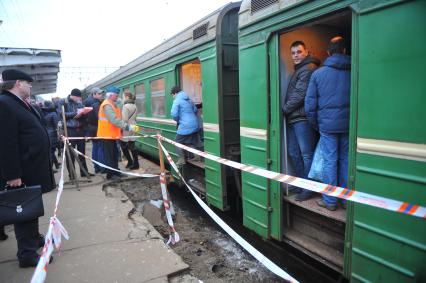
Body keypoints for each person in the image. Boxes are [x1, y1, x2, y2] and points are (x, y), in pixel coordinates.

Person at [0, 69, 55, 267]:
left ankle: (34, 237)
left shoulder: (18, 103)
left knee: (31, 207)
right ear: (17, 83)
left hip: (31, 168)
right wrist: (12, 174)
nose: (30, 86)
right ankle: (27, 254)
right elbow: (6, 143)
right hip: (22, 171)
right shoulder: (5, 104)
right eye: (27, 83)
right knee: (23, 211)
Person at [305, 36, 351, 211]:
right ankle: (347, 200)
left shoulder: (318, 74)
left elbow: (310, 106)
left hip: (327, 127)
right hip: (348, 126)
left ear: (328, 52)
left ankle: (330, 201)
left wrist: (317, 125)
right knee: (346, 160)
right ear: (345, 51)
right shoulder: (355, 70)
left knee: (329, 161)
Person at [282, 41, 320, 201]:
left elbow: (299, 94)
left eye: (299, 52)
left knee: (306, 154)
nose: (296, 55)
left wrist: (284, 109)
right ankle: (302, 183)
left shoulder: (308, 69)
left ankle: (309, 188)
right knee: (294, 153)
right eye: (293, 53)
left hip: (302, 118)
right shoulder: (299, 70)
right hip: (294, 118)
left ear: (306, 52)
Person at [97, 86, 138, 180]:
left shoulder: (112, 103)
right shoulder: (106, 105)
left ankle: (116, 172)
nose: (117, 97)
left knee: (114, 155)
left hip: (112, 135)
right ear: (110, 95)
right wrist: (128, 127)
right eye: (116, 95)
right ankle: (110, 175)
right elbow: (114, 120)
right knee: (109, 156)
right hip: (106, 135)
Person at [59, 88, 93, 179]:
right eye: (78, 98)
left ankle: (84, 172)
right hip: (69, 130)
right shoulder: (63, 102)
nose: (79, 100)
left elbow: (82, 113)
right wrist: (75, 113)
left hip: (80, 129)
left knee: (82, 152)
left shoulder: (79, 102)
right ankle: (72, 174)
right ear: (73, 96)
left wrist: (84, 113)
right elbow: (61, 114)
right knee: (70, 153)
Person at [170, 85, 200, 165]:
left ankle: (181, 159)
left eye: (172, 95)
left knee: (177, 142)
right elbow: (195, 110)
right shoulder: (189, 99)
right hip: (195, 124)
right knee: (190, 142)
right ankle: (196, 156)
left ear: (175, 93)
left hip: (185, 125)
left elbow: (174, 114)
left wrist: (178, 120)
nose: (173, 97)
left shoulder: (177, 100)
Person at [84, 87, 105, 173]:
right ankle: (102, 167)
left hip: (91, 128)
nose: (101, 95)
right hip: (97, 127)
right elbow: (99, 117)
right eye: (99, 94)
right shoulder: (95, 103)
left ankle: (96, 167)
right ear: (94, 94)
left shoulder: (87, 101)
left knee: (95, 147)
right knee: (101, 148)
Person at [120, 91, 140, 170]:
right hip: (134, 126)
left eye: (123, 97)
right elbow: (135, 117)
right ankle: (136, 163)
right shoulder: (135, 105)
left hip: (127, 128)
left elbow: (124, 119)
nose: (122, 98)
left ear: (127, 97)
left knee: (123, 146)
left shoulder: (125, 106)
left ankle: (130, 161)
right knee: (132, 145)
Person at [42, 100, 61, 171]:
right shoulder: (53, 113)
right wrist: (59, 134)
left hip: (46, 133)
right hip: (53, 134)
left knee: (50, 151)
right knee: (51, 151)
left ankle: (55, 165)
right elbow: (57, 125)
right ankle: (50, 168)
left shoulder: (42, 112)